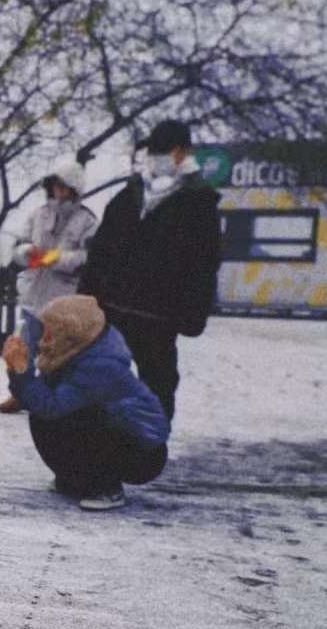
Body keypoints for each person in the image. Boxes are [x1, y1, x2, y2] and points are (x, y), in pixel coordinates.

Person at [78, 119, 222, 422]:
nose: (156, 157)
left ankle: (150, 446)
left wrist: (194, 313)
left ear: (183, 153)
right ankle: (99, 445)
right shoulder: (128, 196)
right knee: (100, 377)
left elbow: (204, 263)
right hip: (113, 307)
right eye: (152, 151)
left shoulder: (199, 204)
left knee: (158, 383)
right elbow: (101, 251)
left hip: (159, 314)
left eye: (163, 150)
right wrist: (86, 298)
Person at [2, 294, 170, 512]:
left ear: (69, 331)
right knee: (44, 414)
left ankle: (106, 487)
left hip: (143, 451)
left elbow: (51, 407)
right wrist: (17, 370)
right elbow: (38, 401)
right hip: (123, 437)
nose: (44, 336)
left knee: (80, 418)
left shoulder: (100, 366)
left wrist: (22, 372)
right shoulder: (73, 352)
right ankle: (74, 478)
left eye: (50, 330)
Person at [0, 157, 100, 414]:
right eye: (56, 186)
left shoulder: (87, 221)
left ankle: (53, 396)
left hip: (63, 298)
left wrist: (56, 259)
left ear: (75, 189)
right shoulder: (38, 214)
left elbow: (89, 257)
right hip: (33, 293)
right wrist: (26, 252)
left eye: (64, 187)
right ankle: (19, 392)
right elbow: (18, 247)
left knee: (57, 352)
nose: (59, 192)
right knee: (23, 347)